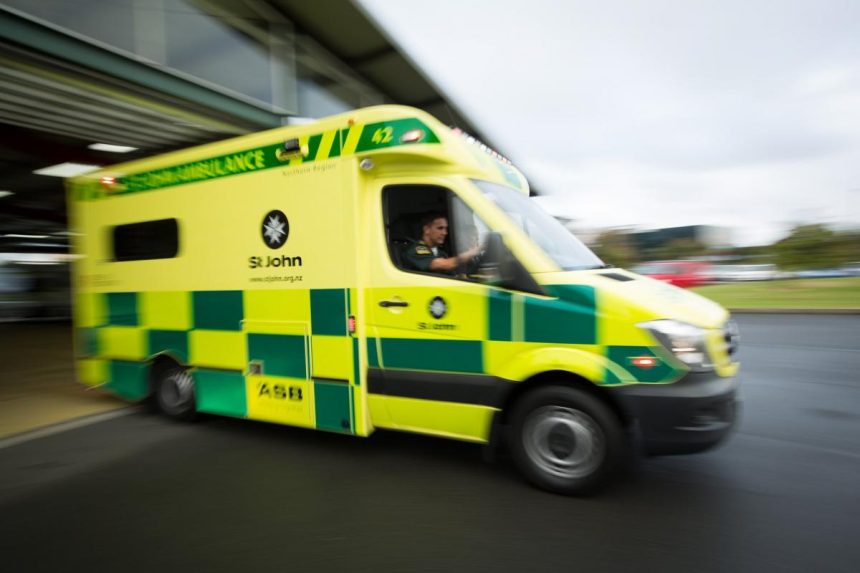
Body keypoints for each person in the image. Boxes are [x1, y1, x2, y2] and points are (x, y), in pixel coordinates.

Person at [401, 213, 481, 275]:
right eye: (440, 228)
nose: (445, 233)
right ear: (426, 229)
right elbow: (445, 264)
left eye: (446, 229)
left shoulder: (441, 253)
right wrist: (472, 252)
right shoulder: (416, 251)